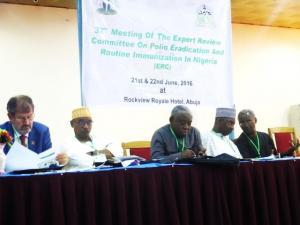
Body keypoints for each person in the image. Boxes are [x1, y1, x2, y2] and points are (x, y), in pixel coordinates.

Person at [57, 107, 122, 169]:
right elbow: (83, 162)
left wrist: (97, 153)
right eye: (80, 122)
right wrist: (104, 153)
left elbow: (118, 151)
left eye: (89, 122)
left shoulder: (100, 138)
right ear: (72, 124)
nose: (86, 126)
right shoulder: (66, 145)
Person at [235, 109, 299, 158]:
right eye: (242, 122)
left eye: (248, 121)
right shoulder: (239, 142)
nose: (246, 125)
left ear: (255, 120)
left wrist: (290, 151)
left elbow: (275, 157)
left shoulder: (265, 137)